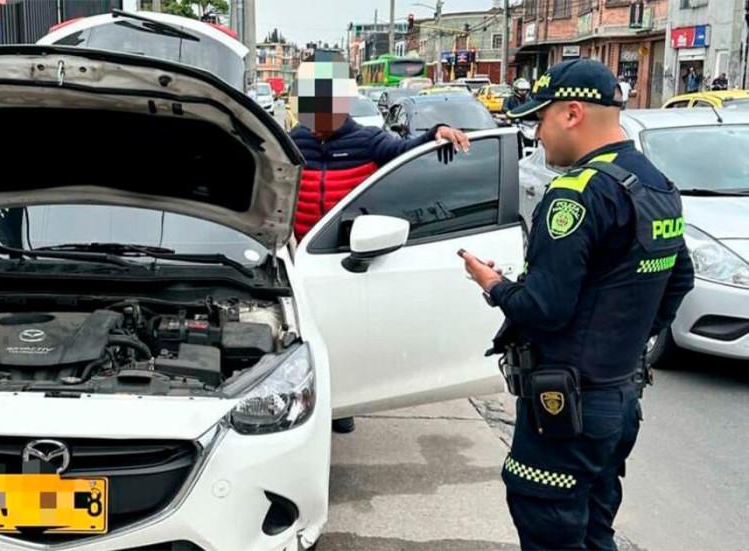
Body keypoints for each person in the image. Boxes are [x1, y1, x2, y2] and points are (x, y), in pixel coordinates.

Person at [464, 59, 695, 549]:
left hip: (565, 411)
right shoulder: (657, 185)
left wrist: (494, 284)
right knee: (594, 531)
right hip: (619, 399)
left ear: (571, 113)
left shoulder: (576, 194)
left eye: (540, 119)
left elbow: (544, 309)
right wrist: (623, 341)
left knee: (550, 527)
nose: (537, 135)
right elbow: (679, 281)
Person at [289, 50, 470, 434]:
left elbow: (406, 152)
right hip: (299, 256)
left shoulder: (368, 141)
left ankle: (340, 404)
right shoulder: (294, 142)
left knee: (341, 334)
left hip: (346, 259)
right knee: (301, 335)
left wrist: (435, 133)